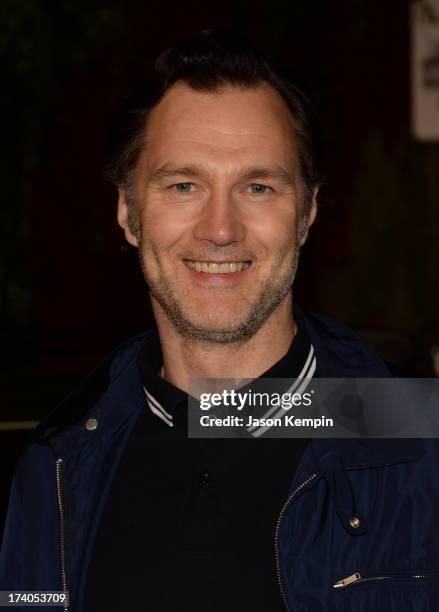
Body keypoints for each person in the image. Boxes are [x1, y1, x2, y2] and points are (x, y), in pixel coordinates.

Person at [1, 30, 439, 612]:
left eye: (258, 187)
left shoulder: (418, 445)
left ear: (306, 213)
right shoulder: (55, 465)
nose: (220, 229)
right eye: (184, 185)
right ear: (129, 213)